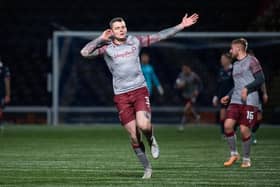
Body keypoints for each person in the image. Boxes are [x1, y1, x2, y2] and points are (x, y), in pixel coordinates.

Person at [80, 13, 199, 178]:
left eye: (123, 27)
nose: (121, 30)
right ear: (111, 31)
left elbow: (160, 36)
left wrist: (181, 25)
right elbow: (84, 53)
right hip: (121, 95)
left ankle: (151, 139)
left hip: (139, 90)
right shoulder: (106, 47)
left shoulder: (135, 41)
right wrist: (100, 38)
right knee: (134, 137)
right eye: (117, 28)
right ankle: (147, 168)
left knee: (143, 126)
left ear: (126, 28)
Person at [221, 38, 265, 168]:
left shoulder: (252, 60)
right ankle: (234, 154)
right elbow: (237, 85)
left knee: (244, 129)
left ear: (238, 48)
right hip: (236, 100)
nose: (230, 50)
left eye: (232, 48)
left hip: (250, 101)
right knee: (228, 126)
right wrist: (227, 96)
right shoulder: (235, 65)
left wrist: (247, 88)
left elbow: (261, 79)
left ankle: (246, 159)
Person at [247, 50, 269, 145]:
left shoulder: (257, 68)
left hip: (256, 95)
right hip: (247, 95)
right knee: (250, 117)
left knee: (259, 118)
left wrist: (264, 93)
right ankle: (250, 136)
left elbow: (262, 81)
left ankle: (252, 133)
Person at [212, 53, 234, 136]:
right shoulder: (221, 71)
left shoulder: (234, 70)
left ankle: (231, 131)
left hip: (232, 97)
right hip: (222, 97)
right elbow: (218, 85)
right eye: (221, 59)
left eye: (223, 59)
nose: (222, 61)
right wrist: (215, 96)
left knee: (231, 117)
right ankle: (223, 133)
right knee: (222, 116)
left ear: (229, 60)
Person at [175, 64, 202, 131]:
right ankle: (196, 116)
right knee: (189, 110)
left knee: (186, 109)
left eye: (186, 69)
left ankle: (182, 125)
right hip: (185, 95)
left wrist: (197, 90)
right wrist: (180, 86)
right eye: (183, 69)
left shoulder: (194, 76)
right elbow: (176, 85)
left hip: (193, 95)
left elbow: (200, 84)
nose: (184, 70)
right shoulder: (181, 75)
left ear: (189, 69)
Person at [0, 57, 11, 132]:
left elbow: (7, 81)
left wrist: (8, 94)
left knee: (0, 108)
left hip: (1, 92)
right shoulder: (4, 68)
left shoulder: (4, 68)